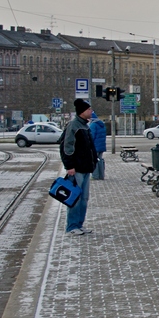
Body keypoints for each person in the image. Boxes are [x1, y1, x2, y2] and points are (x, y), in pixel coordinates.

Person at [59, 98, 98, 236]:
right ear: (82, 111)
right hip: (77, 168)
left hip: (86, 168)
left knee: (84, 198)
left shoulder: (85, 126)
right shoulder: (73, 126)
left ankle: (79, 224)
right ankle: (72, 226)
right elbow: (66, 147)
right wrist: (69, 165)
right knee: (75, 198)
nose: (91, 111)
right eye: (89, 109)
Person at [89, 111, 107, 180]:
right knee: (100, 160)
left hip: (95, 146)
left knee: (94, 160)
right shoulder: (101, 124)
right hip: (101, 146)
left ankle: (95, 176)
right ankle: (101, 175)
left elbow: (91, 136)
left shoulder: (93, 125)